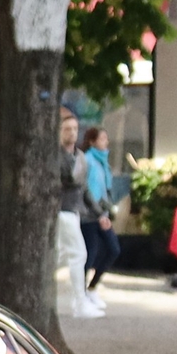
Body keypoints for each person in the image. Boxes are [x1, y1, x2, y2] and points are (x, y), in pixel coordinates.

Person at [56, 113, 102, 318]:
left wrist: (100, 213)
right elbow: (70, 180)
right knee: (77, 254)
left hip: (72, 210)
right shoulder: (58, 156)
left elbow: (83, 188)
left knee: (59, 255)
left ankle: (78, 301)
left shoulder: (79, 157)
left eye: (75, 129)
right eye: (67, 129)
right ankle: (80, 303)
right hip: (62, 210)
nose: (72, 133)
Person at [79, 125, 120, 292]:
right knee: (90, 253)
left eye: (106, 138)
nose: (106, 142)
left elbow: (104, 190)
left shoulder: (102, 162)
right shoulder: (87, 160)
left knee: (113, 249)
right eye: (102, 139)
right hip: (88, 214)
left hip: (101, 213)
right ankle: (81, 291)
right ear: (92, 141)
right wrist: (98, 213)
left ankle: (92, 286)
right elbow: (86, 190)